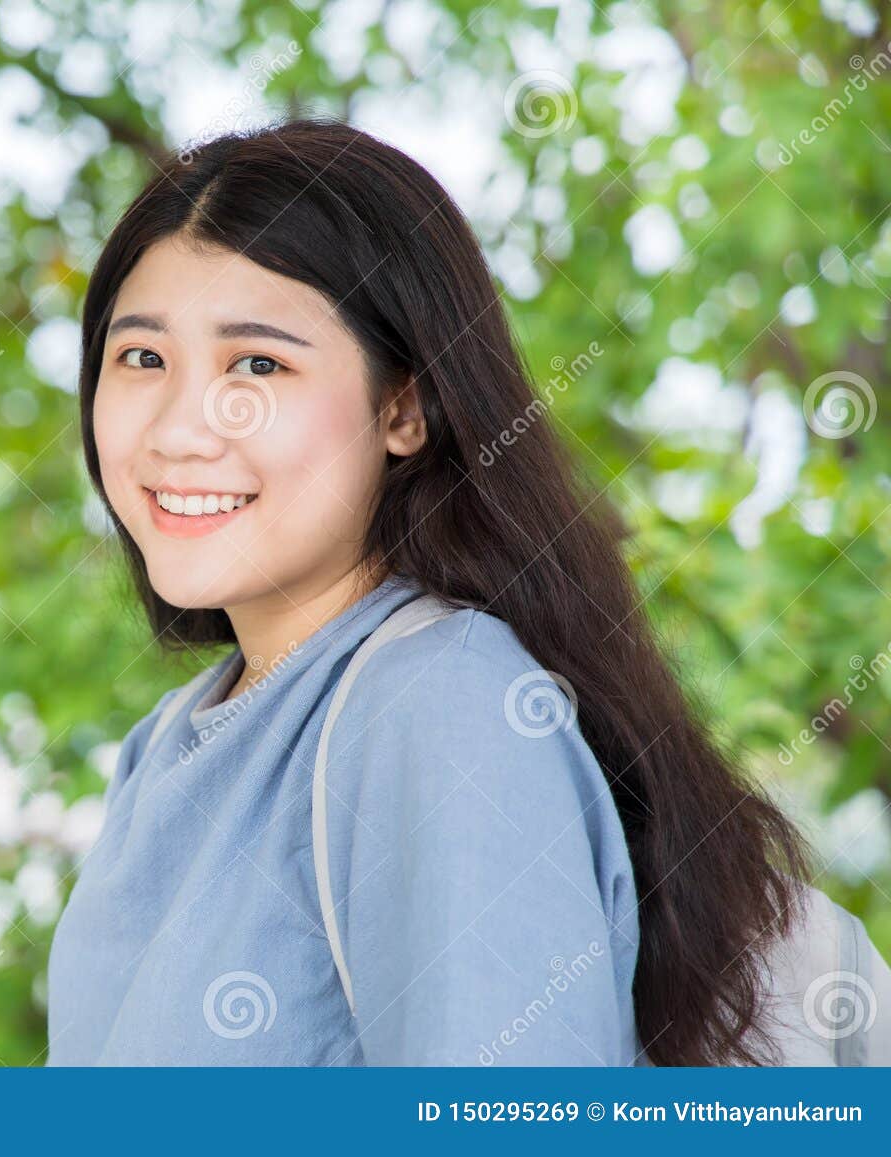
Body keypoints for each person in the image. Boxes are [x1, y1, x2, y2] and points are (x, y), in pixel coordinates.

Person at [45, 118, 812, 1066]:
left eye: (259, 363)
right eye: (143, 358)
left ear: (404, 406)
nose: (180, 431)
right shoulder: (163, 743)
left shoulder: (444, 702)